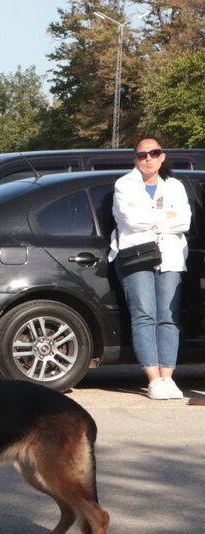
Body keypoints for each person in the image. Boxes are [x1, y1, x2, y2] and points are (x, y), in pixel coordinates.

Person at [110, 137, 192, 400]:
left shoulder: (175, 186)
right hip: (136, 255)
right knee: (144, 314)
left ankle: (168, 378)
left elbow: (184, 221)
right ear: (135, 159)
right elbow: (131, 221)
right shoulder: (124, 185)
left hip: (170, 256)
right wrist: (165, 217)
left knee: (168, 317)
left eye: (153, 153)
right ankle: (153, 379)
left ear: (162, 156)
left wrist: (152, 220)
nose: (148, 159)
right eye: (142, 155)